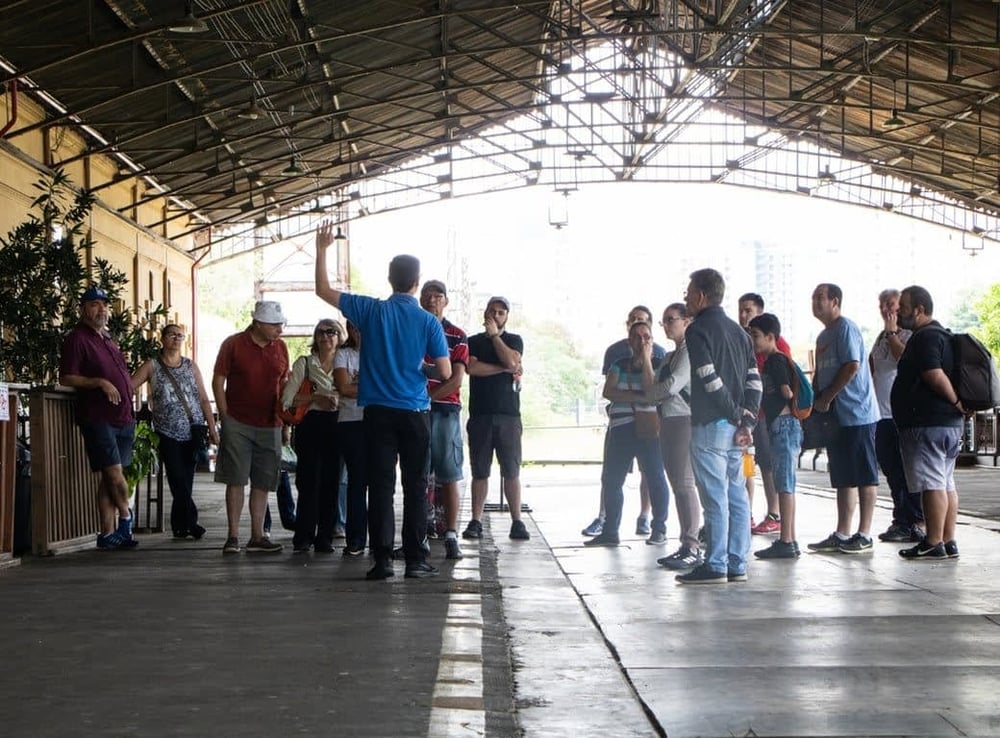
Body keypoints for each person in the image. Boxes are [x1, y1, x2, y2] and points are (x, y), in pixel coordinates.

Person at [314, 221, 451, 580]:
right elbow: (445, 372)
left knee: (381, 486)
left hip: (375, 414)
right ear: (417, 281)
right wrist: (418, 368)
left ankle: (382, 561)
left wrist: (323, 249)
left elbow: (324, 290)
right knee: (416, 486)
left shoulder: (371, 311)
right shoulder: (429, 322)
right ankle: (417, 559)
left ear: (390, 280)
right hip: (415, 412)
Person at [676, 269, 761, 584]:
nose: (686, 297)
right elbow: (754, 380)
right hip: (737, 430)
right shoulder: (740, 333)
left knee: (715, 497)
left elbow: (709, 379)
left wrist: (736, 413)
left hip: (711, 424)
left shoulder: (697, 331)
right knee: (737, 495)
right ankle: (737, 563)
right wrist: (747, 418)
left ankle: (715, 564)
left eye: (688, 292)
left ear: (700, 295)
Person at [59, 286, 140, 550]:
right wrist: (99, 382)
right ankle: (126, 521)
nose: (102, 309)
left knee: (109, 477)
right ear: (83, 309)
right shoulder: (77, 339)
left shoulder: (107, 339)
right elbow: (67, 377)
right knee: (115, 474)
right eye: (94, 304)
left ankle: (107, 535)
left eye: (105, 304)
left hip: (123, 417)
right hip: (98, 416)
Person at [806, 283, 881, 554]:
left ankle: (864, 533)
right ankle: (842, 532)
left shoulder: (845, 328)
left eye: (820, 298)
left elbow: (852, 365)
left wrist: (828, 396)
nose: (815, 303)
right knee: (842, 476)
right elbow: (820, 373)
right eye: (813, 298)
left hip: (857, 413)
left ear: (835, 301)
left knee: (864, 474)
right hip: (835, 418)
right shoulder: (823, 336)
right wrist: (815, 398)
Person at [583, 320, 671, 547]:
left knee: (655, 477)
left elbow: (652, 389)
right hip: (621, 429)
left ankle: (659, 527)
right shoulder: (619, 364)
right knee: (611, 480)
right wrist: (638, 397)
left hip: (649, 430)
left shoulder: (660, 363)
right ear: (629, 340)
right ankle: (611, 530)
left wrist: (646, 362)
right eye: (637, 337)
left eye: (646, 337)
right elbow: (609, 391)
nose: (642, 341)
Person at [212, 300, 290, 555]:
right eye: (274, 325)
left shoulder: (281, 347)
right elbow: (218, 380)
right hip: (238, 421)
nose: (280, 329)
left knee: (264, 481)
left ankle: (257, 535)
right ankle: (233, 535)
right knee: (235, 479)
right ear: (257, 323)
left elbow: (285, 382)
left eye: (281, 324)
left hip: (271, 423)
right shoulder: (233, 344)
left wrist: (286, 420)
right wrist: (224, 415)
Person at [892, 286, 964, 560]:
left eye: (903, 307)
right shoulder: (945, 335)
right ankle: (948, 539)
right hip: (947, 423)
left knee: (932, 483)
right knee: (946, 481)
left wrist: (955, 400)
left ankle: (933, 541)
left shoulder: (925, 337)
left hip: (928, 423)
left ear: (920, 309)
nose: (898, 312)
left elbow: (933, 374)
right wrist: (957, 407)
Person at [131, 324, 218, 540]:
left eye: (180, 336)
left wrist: (213, 427)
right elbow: (130, 385)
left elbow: (204, 398)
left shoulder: (190, 366)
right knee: (177, 476)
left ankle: (180, 526)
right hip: (166, 430)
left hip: (193, 428)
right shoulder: (152, 365)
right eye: (172, 335)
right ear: (162, 339)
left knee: (186, 478)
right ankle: (192, 521)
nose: (176, 339)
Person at [462, 297, 530, 542]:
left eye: (502, 312)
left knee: (511, 469)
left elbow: (513, 361)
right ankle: (476, 520)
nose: (497, 315)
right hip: (480, 414)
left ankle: (517, 520)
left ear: (506, 316)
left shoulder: (514, 340)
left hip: (509, 414)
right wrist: (504, 368)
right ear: (486, 314)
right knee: (480, 470)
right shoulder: (472, 341)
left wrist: (495, 338)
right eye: (493, 311)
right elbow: (473, 369)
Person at [645, 303, 703, 570]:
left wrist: (654, 393)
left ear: (686, 321)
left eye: (671, 320)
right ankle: (686, 543)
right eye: (664, 321)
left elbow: (670, 385)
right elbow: (656, 386)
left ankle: (692, 545)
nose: (667, 325)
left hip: (684, 419)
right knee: (677, 483)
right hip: (668, 419)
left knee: (684, 483)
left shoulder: (689, 351)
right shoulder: (670, 356)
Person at [281, 319, 343, 553]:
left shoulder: (345, 362)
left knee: (332, 481)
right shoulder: (305, 364)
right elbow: (287, 399)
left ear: (340, 336)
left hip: (338, 424)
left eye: (331, 332)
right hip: (311, 424)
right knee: (308, 481)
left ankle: (325, 536)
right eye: (321, 332)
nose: (326, 336)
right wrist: (316, 398)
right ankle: (303, 536)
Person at [420, 280, 470, 560]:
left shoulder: (457, 335)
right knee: (418, 475)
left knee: (449, 473)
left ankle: (451, 535)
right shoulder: (412, 332)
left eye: (438, 296)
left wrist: (428, 397)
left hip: (445, 411)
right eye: (427, 296)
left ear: (446, 301)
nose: (432, 301)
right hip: (415, 412)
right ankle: (419, 535)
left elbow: (456, 378)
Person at [869, 289, 924, 543]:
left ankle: (914, 521)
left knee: (907, 471)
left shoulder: (908, 334)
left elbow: (905, 359)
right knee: (891, 470)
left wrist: (892, 332)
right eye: (882, 305)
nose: (886, 310)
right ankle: (899, 519)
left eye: (891, 305)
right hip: (880, 414)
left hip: (900, 414)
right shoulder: (881, 336)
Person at [748, 313, 804, 559]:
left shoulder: (775, 361)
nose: (753, 340)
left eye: (756, 335)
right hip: (782, 425)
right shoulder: (772, 360)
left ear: (771, 337)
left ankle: (787, 540)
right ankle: (787, 539)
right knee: (785, 484)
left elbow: (787, 392)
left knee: (785, 485)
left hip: (783, 424)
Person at [737, 292, 791, 534]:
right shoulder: (741, 343)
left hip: (770, 416)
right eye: (741, 310)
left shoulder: (777, 345)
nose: (743, 315)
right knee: (746, 462)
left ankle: (774, 513)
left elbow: (786, 384)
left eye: (748, 310)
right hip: (747, 415)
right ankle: (745, 512)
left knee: (769, 464)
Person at [333, 320, 367, 557]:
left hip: (377, 420)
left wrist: (360, 385)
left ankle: (381, 539)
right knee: (356, 480)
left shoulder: (380, 351)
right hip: (350, 420)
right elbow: (343, 388)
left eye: (361, 328)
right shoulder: (343, 354)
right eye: (353, 328)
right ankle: (355, 539)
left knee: (381, 482)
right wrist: (376, 386)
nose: (357, 333)